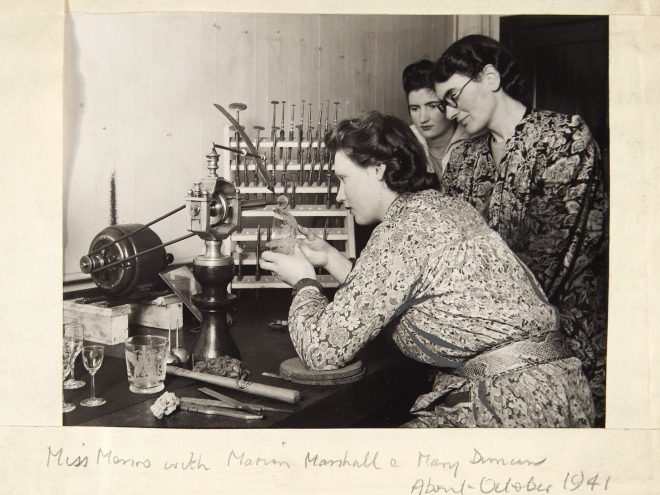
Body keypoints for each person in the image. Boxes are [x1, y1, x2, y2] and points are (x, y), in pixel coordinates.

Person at [260, 111, 594, 428]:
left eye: (343, 179)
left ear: (376, 169)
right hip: (557, 390)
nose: (339, 194)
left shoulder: (402, 231)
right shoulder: (440, 206)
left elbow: (321, 351)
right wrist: (330, 258)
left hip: (512, 404)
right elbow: (392, 292)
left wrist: (303, 281)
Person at [432, 35, 608, 424]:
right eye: (442, 103)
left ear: (490, 77)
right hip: (485, 351)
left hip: (566, 346)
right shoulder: (462, 159)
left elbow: (553, 255)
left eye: (453, 96)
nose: (449, 111)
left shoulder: (564, 139)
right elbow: (450, 251)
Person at [402, 59, 470, 180]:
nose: (423, 119)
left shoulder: (472, 138)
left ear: (449, 103)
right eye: (415, 108)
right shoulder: (405, 141)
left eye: (432, 106)